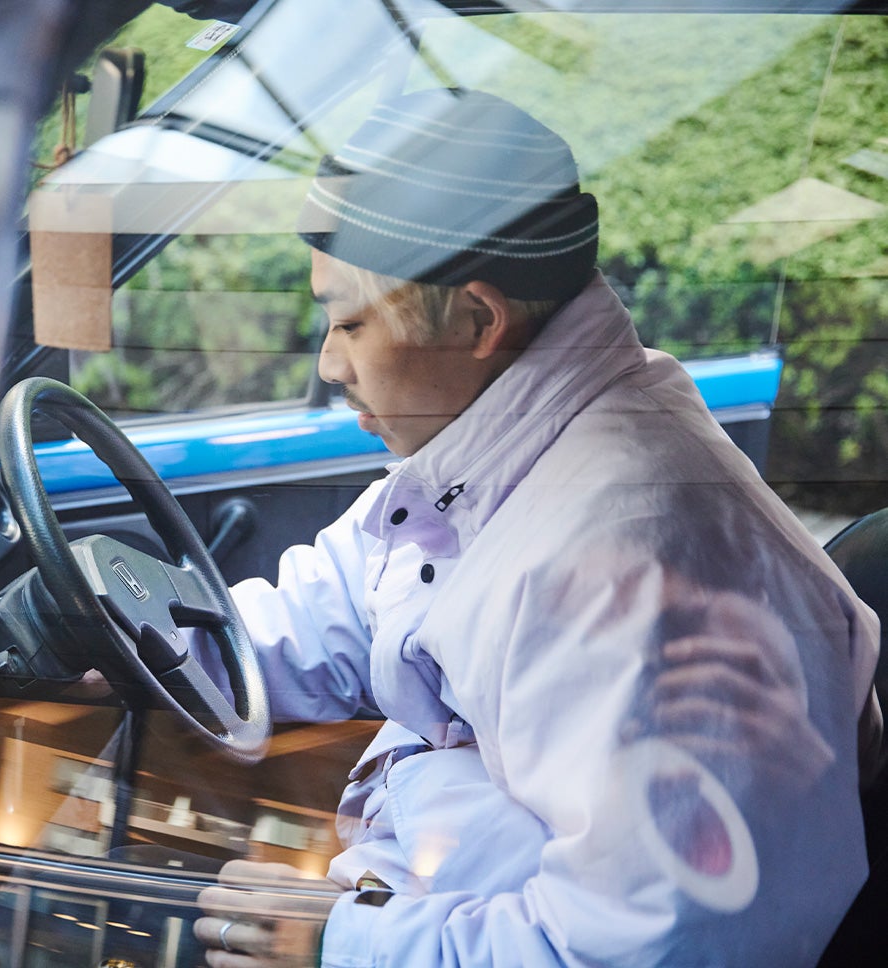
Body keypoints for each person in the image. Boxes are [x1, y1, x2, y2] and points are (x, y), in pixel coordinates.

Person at [186, 88, 883, 967]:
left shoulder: (627, 572)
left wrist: (342, 944)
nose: (330, 364)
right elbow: (342, 605)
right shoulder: (503, 455)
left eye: (351, 323)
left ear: (479, 320)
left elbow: (660, 947)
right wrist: (150, 642)